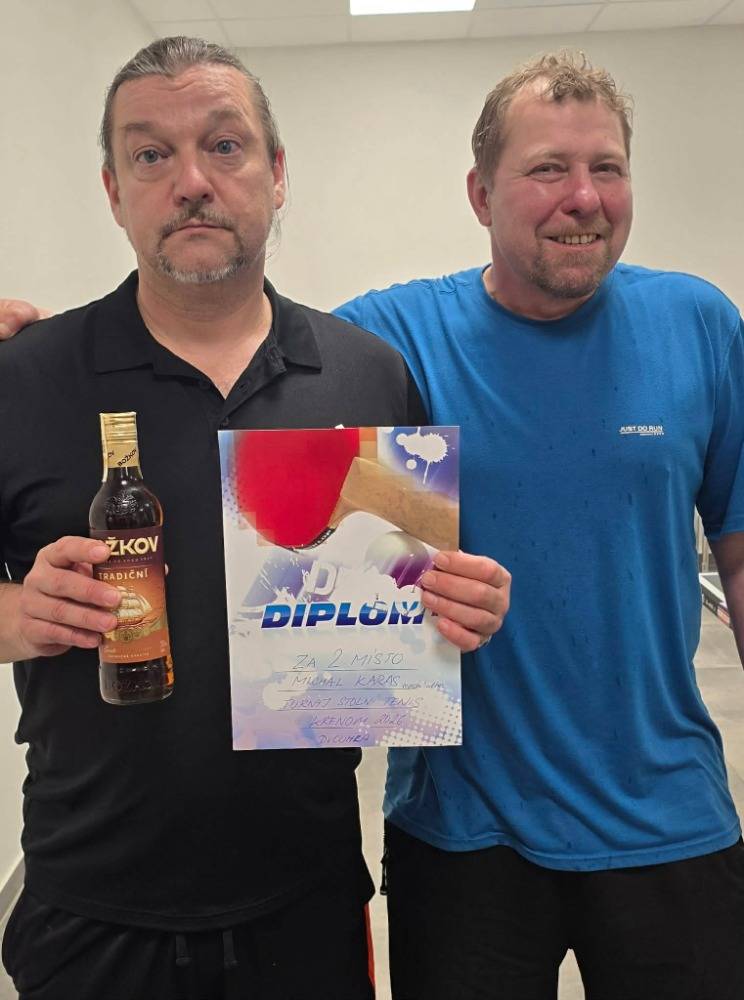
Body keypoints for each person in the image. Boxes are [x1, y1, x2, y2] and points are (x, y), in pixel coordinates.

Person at [0, 37, 510, 1000]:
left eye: (224, 145)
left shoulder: (365, 373)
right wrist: (16, 616)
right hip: (91, 909)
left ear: (276, 175)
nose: (192, 180)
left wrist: (459, 604)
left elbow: (416, 585)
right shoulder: (26, 376)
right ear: (113, 191)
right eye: (151, 154)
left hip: (305, 901)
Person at [333, 52, 744, 1000]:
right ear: (481, 195)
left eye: (607, 168)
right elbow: (228, 356)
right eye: (548, 169)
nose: (584, 197)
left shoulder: (698, 323)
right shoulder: (394, 337)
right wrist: (55, 348)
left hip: (667, 812)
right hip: (463, 829)